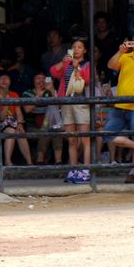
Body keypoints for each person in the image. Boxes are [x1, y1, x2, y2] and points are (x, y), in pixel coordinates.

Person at [50, 39, 92, 184]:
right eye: (74, 47)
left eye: (80, 47)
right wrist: (64, 61)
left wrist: (77, 67)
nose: (77, 49)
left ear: (84, 50)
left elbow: (86, 80)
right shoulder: (67, 64)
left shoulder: (87, 64)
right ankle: (73, 170)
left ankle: (86, 170)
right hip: (67, 102)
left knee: (85, 138)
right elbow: (53, 72)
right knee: (72, 139)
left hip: (81, 102)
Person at [103, 31, 134, 182]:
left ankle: (132, 172)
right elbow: (110, 65)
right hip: (120, 104)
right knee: (107, 134)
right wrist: (120, 51)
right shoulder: (125, 56)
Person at [0, 73, 32, 167]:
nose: (4, 80)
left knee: (20, 132)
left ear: (10, 82)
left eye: (6, 79)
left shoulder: (14, 94)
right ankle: (7, 161)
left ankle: (30, 162)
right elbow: (0, 118)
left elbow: (18, 112)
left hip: (13, 122)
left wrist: (20, 124)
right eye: (2, 78)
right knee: (11, 131)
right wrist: (6, 102)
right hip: (0, 123)